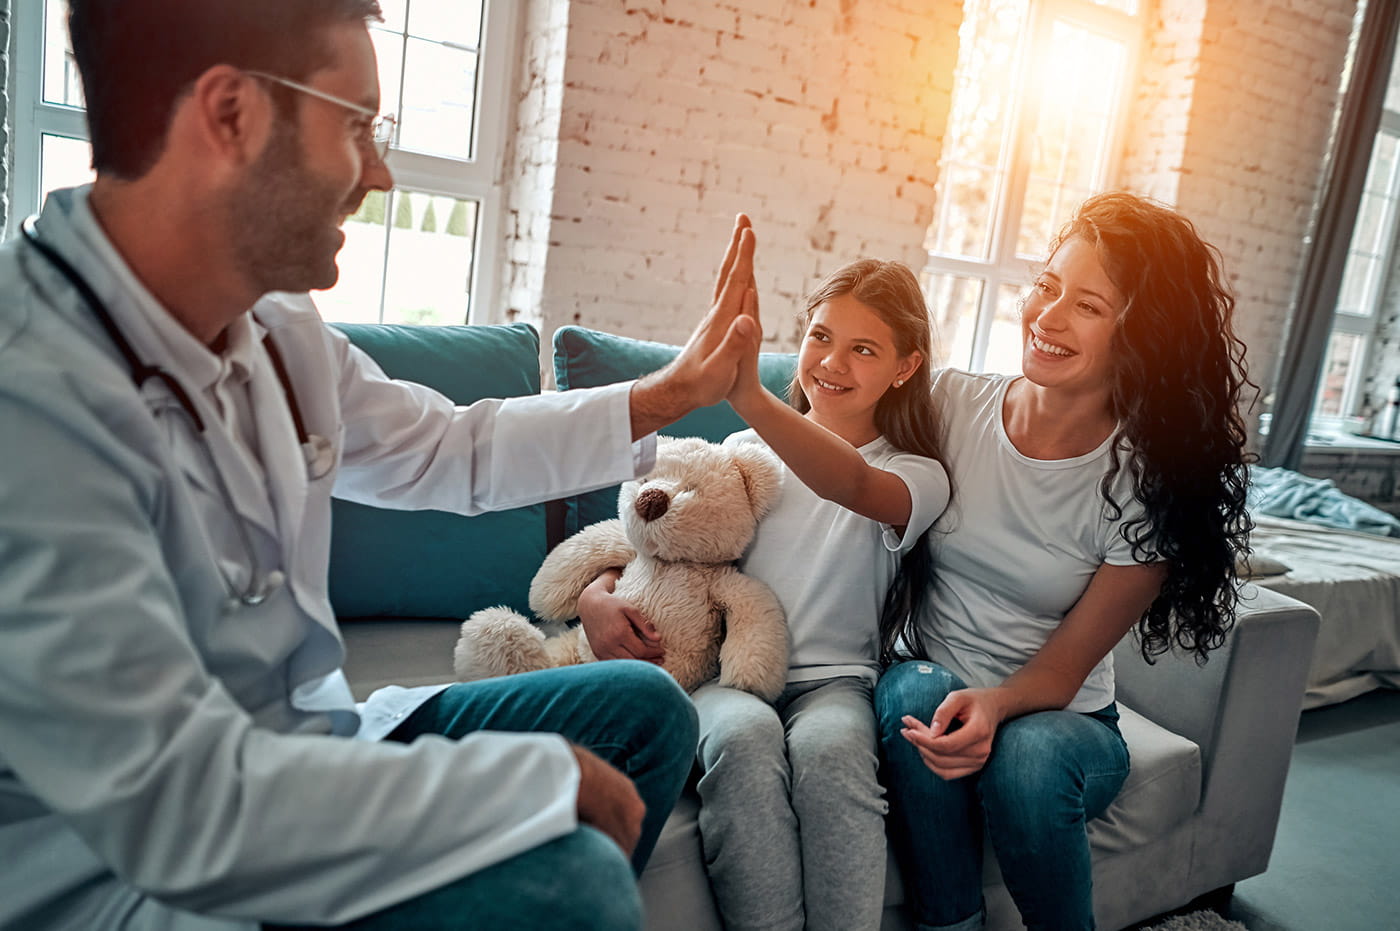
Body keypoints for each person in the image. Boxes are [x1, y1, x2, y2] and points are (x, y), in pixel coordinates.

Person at [0, 2, 766, 929]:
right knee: (575, 883)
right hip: (135, 872)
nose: (380, 171)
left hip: (314, 746)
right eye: (356, 124)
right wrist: (526, 782)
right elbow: (182, 808)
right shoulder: (31, 395)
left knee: (645, 710)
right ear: (231, 113)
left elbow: (451, 448)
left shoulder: (275, 329)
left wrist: (667, 396)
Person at [875, 191, 1254, 931]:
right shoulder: (952, 404)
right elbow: (841, 466)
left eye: (1087, 304)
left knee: (1027, 755)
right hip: (934, 678)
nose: (1046, 317)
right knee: (913, 690)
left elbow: (1060, 674)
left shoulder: (1148, 482)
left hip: (1064, 719)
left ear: (1141, 335)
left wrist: (995, 704)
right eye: (1046, 287)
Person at [582, 254, 951, 930]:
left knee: (832, 754)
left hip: (835, 682)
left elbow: (853, 486)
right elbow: (650, 540)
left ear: (904, 367)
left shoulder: (914, 474)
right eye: (820, 337)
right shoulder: (742, 451)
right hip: (727, 674)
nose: (832, 363)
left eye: (863, 349)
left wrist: (749, 391)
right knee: (743, 740)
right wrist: (596, 597)